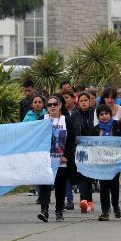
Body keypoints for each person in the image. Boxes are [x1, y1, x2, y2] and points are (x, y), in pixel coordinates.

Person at [37, 94, 76, 222]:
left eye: (55, 104)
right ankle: (44, 210)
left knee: (60, 187)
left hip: (61, 160)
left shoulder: (67, 120)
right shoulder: (42, 119)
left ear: (60, 105)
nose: (52, 107)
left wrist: (66, 156)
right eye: (49, 105)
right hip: (46, 160)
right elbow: (35, 138)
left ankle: (59, 210)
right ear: (46, 107)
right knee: (45, 185)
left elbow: (71, 140)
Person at [93, 104, 121, 221]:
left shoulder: (118, 125)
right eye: (101, 114)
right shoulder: (95, 129)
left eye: (106, 114)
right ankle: (105, 211)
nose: (104, 116)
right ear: (98, 116)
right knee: (103, 186)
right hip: (101, 163)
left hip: (115, 162)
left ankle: (115, 205)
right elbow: (88, 143)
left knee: (114, 186)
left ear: (110, 114)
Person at [71, 92, 97, 213]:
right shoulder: (74, 115)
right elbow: (71, 132)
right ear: (78, 102)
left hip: (93, 149)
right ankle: (85, 201)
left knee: (89, 175)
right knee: (82, 175)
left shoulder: (95, 113)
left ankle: (87, 201)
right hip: (79, 150)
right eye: (81, 101)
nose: (83, 103)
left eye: (86, 100)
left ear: (90, 101)